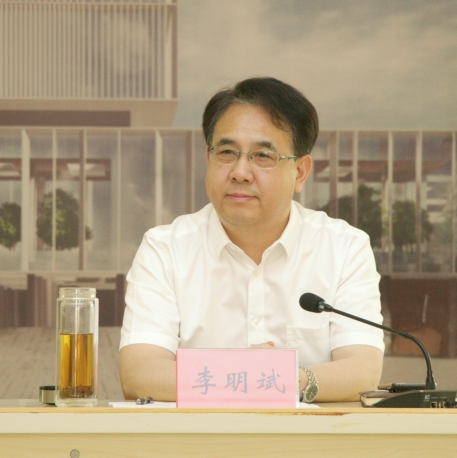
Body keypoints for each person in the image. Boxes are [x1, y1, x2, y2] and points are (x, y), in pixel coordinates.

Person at [119, 77, 384, 402]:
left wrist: (279, 379)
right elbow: (140, 373)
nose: (240, 172)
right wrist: (253, 376)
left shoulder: (344, 248)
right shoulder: (165, 249)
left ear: (300, 172)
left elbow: (362, 370)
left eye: (262, 156)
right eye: (226, 152)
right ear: (209, 159)